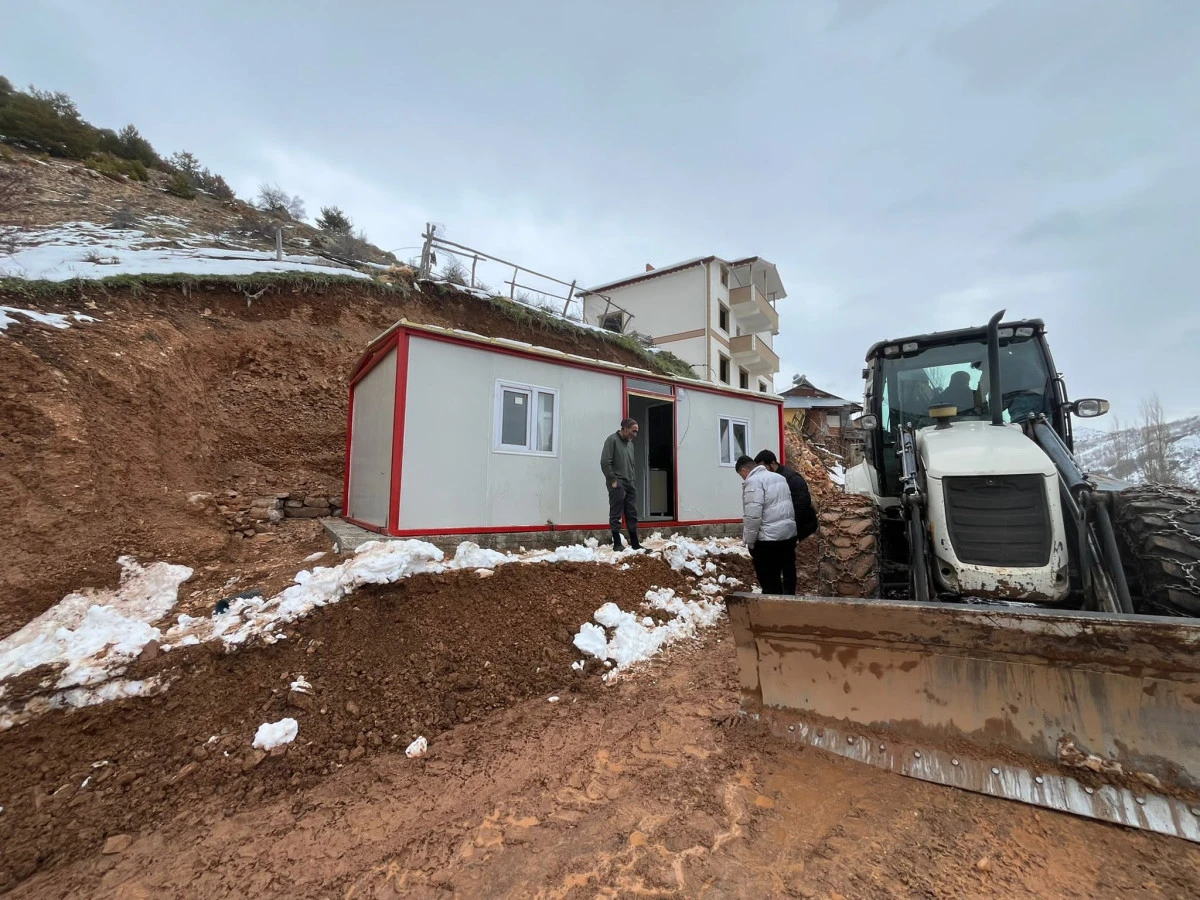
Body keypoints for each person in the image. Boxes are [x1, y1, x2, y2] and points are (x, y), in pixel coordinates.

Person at [736, 455, 798, 595]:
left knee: (769, 577)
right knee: (788, 570)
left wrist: (750, 542)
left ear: (744, 471)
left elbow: (753, 515)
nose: (743, 478)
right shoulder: (779, 478)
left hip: (768, 540)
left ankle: (772, 607)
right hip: (788, 535)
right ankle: (790, 602)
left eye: (741, 475)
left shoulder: (753, 482)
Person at [753, 449, 818, 545]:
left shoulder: (792, 479)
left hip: (803, 528)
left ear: (772, 464)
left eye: (763, 468)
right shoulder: (770, 480)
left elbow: (802, 504)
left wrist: (789, 526)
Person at [601, 417, 641, 550]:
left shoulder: (630, 444)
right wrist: (613, 480)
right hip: (617, 482)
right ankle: (617, 543)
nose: (634, 435)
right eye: (633, 431)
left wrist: (632, 479)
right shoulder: (612, 440)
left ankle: (635, 544)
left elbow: (632, 464)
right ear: (624, 428)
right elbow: (605, 462)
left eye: (636, 432)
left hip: (630, 482)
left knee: (632, 512)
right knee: (616, 512)